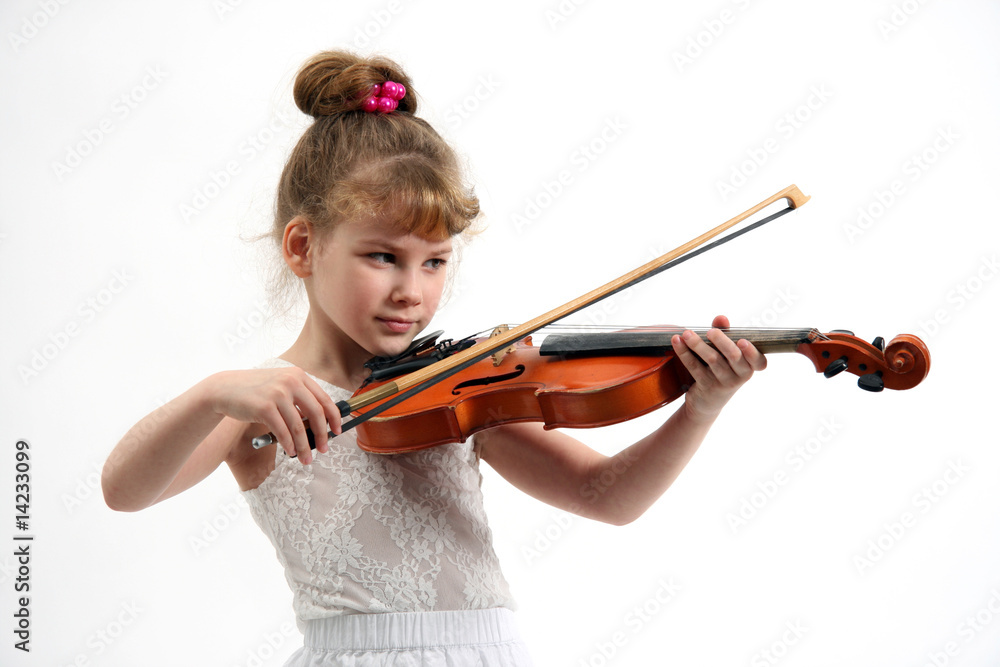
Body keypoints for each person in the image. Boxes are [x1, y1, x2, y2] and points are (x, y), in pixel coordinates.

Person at [101, 50, 766, 666]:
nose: (411, 291)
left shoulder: (456, 390)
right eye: (383, 256)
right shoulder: (263, 402)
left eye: (435, 261)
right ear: (303, 247)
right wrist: (212, 393)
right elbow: (123, 490)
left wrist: (699, 407)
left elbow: (609, 496)